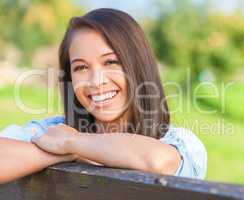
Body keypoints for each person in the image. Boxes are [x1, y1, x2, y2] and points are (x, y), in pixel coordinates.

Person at [0, 8, 207, 184]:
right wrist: (73, 150)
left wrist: (72, 143)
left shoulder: (182, 143)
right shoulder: (54, 132)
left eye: (110, 62)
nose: (96, 81)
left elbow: (156, 162)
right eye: (81, 67)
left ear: (137, 66)